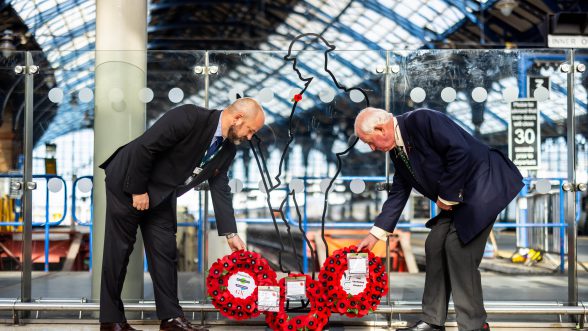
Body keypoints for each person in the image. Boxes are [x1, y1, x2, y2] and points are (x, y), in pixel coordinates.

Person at [98, 98, 265, 331]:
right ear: (238, 118)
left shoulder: (227, 149)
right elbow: (146, 147)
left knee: (165, 252)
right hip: (128, 181)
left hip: (163, 193)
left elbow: (220, 187)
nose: (249, 137)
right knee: (120, 250)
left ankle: (171, 319)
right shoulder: (188, 117)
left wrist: (230, 233)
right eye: (250, 130)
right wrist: (137, 190)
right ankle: (111, 321)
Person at [355, 107, 523, 331]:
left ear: (381, 128)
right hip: (459, 196)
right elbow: (399, 190)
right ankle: (433, 321)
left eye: (370, 142)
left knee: (458, 248)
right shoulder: (397, 150)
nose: (372, 148)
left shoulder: (421, 119)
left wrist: (446, 195)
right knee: (434, 244)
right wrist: (374, 234)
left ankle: (474, 325)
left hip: (484, 185)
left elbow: (459, 150)